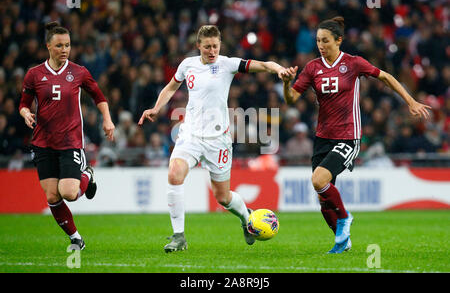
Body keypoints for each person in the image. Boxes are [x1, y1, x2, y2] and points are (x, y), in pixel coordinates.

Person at [281, 16, 431, 253]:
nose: (321, 45)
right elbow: (291, 99)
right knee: (323, 199)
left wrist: (410, 101)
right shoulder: (312, 68)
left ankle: (345, 218)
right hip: (323, 137)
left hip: (347, 136)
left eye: (326, 40)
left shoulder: (353, 63)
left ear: (338, 41)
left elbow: (386, 77)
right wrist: (285, 84)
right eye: (318, 41)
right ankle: (342, 242)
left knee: (319, 181)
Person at [138, 25, 287, 253]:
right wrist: (156, 108)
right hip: (191, 134)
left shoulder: (226, 64)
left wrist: (278, 69)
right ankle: (179, 237)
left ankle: (246, 218)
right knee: (174, 173)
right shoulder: (188, 65)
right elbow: (170, 88)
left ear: (220, 45)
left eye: (215, 46)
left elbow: (262, 65)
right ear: (198, 46)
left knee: (223, 197)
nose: (212, 51)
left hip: (218, 140)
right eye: (207, 46)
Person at [19, 22, 115, 250]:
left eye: (68, 45)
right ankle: (76, 238)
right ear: (48, 47)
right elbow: (23, 103)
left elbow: (99, 96)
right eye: (60, 45)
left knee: (69, 193)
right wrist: (25, 113)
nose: (64, 49)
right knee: (52, 197)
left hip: (70, 142)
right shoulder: (34, 74)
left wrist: (107, 119)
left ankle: (87, 176)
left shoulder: (79, 72)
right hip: (43, 143)